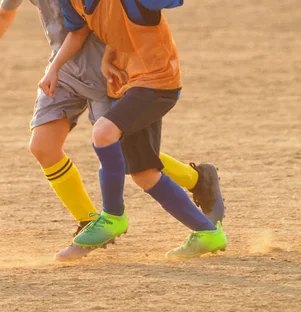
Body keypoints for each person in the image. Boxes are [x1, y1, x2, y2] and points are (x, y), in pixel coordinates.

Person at [0, 0, 225, 260]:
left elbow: (112, 22)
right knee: (43, 146)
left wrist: (110, 56)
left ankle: (195, 180)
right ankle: (90, 221)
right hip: (64, 71)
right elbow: (7, 14)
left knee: (127, 153)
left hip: (109, 75)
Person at [38, 0, 227, 258]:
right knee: (144, 173)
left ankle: (113, 216)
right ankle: (207, 233)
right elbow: (101, 29)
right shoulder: (71, 3)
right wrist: (63, 67)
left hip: (157, 81)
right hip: (127, 83)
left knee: (104, 132)